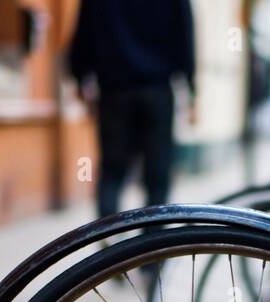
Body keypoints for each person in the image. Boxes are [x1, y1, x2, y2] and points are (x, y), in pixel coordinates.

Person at [68, 0, 196, 217]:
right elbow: (185, 34)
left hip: (114, 89)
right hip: (157, 89)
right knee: (157, 171)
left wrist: (80, 78)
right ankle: (152, 238)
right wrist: (192, 88)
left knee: (112, 169)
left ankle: (108, 239)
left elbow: (83, 33)